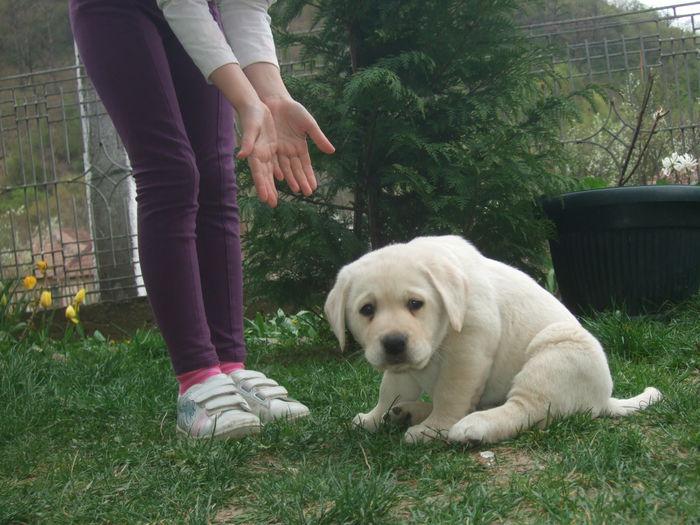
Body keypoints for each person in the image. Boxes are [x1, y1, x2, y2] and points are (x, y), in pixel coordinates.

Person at [68, 0, 335, 439]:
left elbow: (244, 4)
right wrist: (247, 101)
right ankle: (196, 381)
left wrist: (273, 98)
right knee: (171, 173)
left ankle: (228, 369)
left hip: (196, 10)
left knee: (215, 175)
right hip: (115, 9)